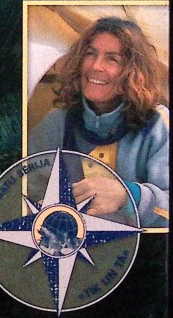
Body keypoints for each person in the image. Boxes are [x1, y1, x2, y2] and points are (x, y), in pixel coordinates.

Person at [28, 16, 169, 228]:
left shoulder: (157, 125)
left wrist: (128, 196)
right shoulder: (57, 123)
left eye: (112, 59)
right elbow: (25, 189)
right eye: (90, 54)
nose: (96, 66)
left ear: (133, 71)